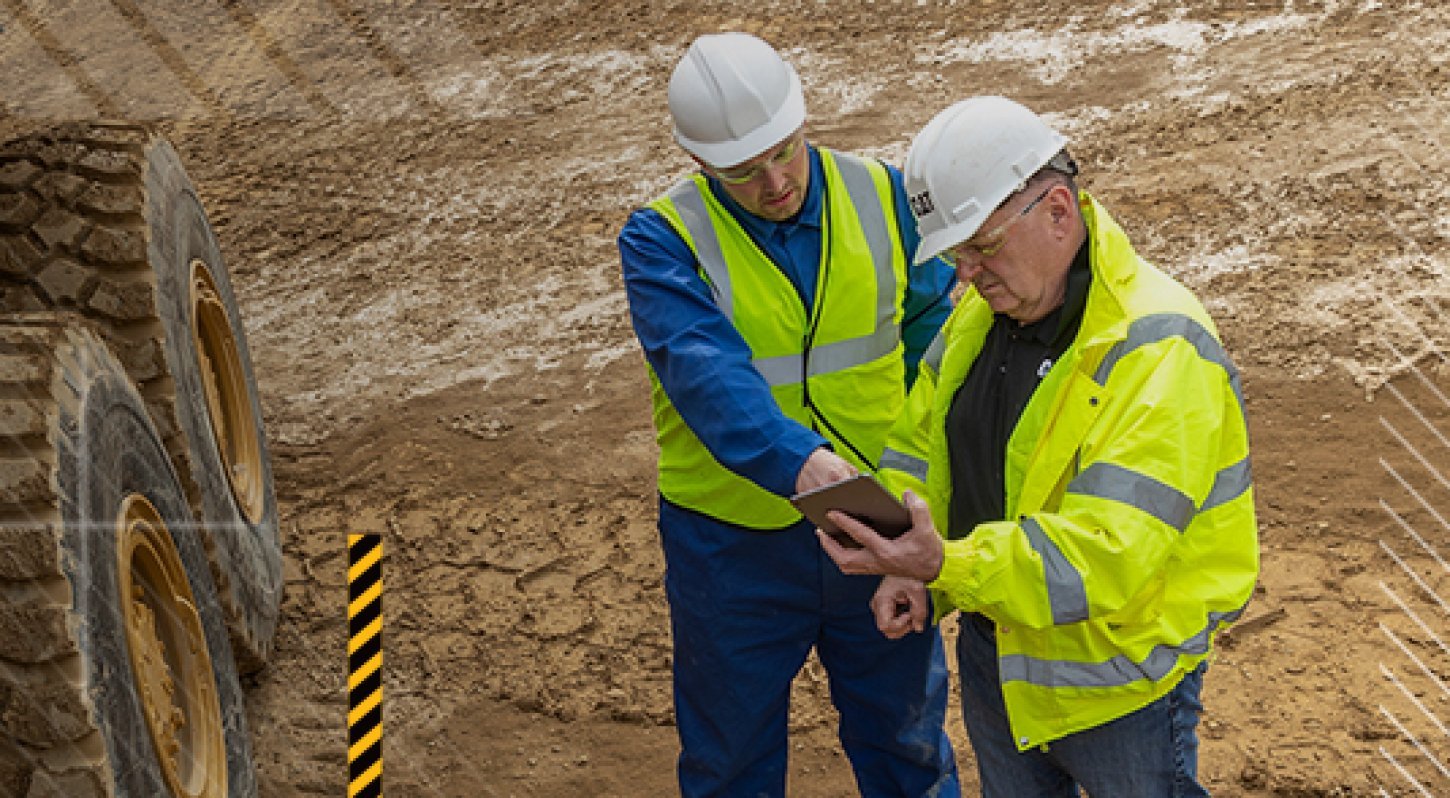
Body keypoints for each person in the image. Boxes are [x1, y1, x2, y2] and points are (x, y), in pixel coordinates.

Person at [819, 96, 1260, 796]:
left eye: (982, 247)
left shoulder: (1158, 347)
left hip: (1121, 685)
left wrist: (946, 564)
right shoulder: (982, 318)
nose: (966, 273)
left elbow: (1101, 556)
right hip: (1003, 661)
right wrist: (906, 559)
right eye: (957, 253)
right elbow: (921, 450)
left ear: (1058, 212)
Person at [616, 32, 960, 797]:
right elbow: (705, 376)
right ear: (700, 164)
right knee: (730, 762)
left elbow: (938, 354)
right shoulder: (661, 241)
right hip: (731, 547)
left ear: (804, 120)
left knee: (908, 743)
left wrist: (913, 497)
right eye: (743, 171)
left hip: (876, 521)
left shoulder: (886, 197)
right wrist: (803, 464)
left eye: (785, 151)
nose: (775, 182)